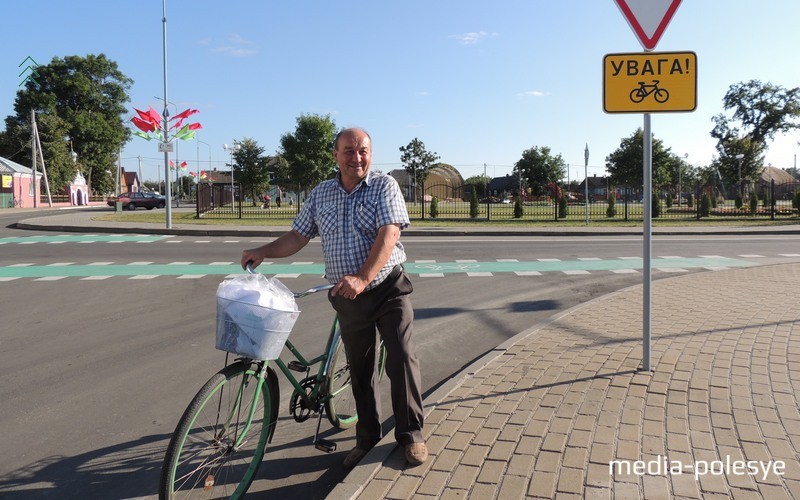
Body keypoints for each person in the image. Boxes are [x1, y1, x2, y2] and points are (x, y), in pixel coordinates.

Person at [241, 127, 427, 469]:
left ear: (371, 153)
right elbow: (297, 236)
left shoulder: (385, 185)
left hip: (387, 288)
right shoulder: (322, 193)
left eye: (363, 151)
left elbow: (389, 234)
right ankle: (367, 437)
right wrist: (263, 251)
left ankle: (411, 435)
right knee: (360, 368)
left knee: (400, 356)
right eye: (349, 151)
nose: (357, 157)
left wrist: (363, 277)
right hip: (347, 295)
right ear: (336, 155)